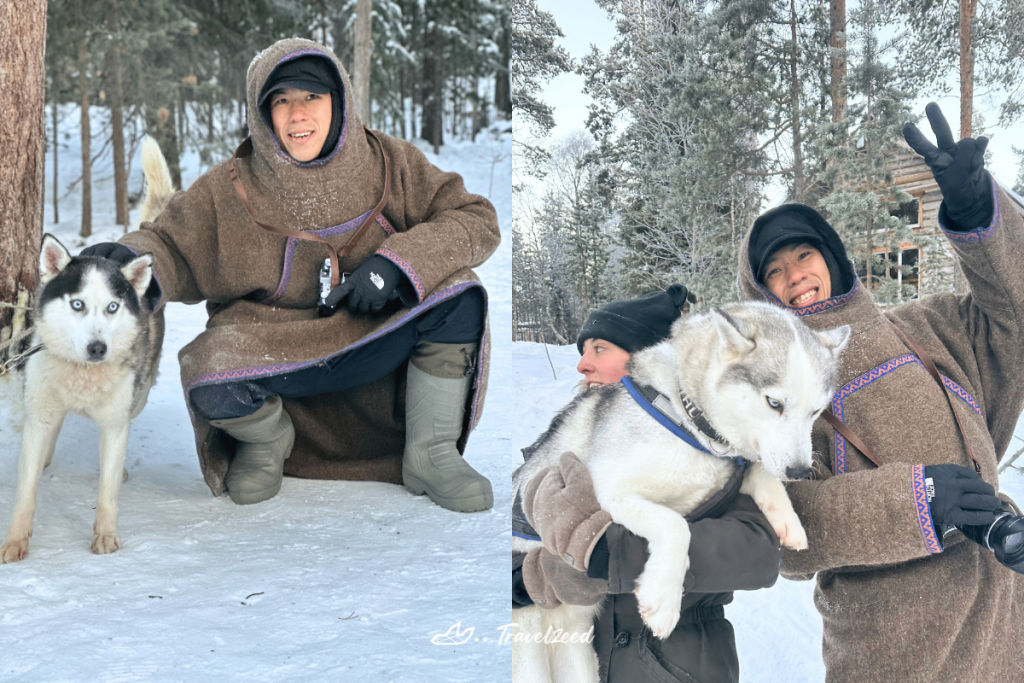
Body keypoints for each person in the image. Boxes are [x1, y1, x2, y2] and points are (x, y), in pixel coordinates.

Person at [526, 103, 1024, 682]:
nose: (795, 276)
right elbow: (781, 537)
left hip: (1002, 612)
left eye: (804, 255)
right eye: (775, 271)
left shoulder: (929, 328)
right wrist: (915, 501)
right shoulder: (749, 395)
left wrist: (976, 214)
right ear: (760, 294)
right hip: (896, 643)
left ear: (832, 258)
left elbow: (1014, 314)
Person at [81, 38, 500, 512]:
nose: (297, 115)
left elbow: (475, 218)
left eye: (311, 97)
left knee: (459, 293)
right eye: (281, 101)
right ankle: (268, 440)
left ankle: (430, 452)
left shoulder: (391, 163)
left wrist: (395, 265)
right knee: (206, 367)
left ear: (337, 100)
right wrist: (126, 256)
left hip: (371, 334)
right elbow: (171, 246)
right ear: (263, 113)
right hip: (272, 347)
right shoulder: (230, 185)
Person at [512, 285, 782, 683]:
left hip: (671, 665)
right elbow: (521, 542)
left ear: (648, 362)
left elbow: (757, 555)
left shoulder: (718, 452)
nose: (582, 365)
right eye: (583, 351)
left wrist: (607, 554)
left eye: (600, 349)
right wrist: (523, 579)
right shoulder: (561, 448)